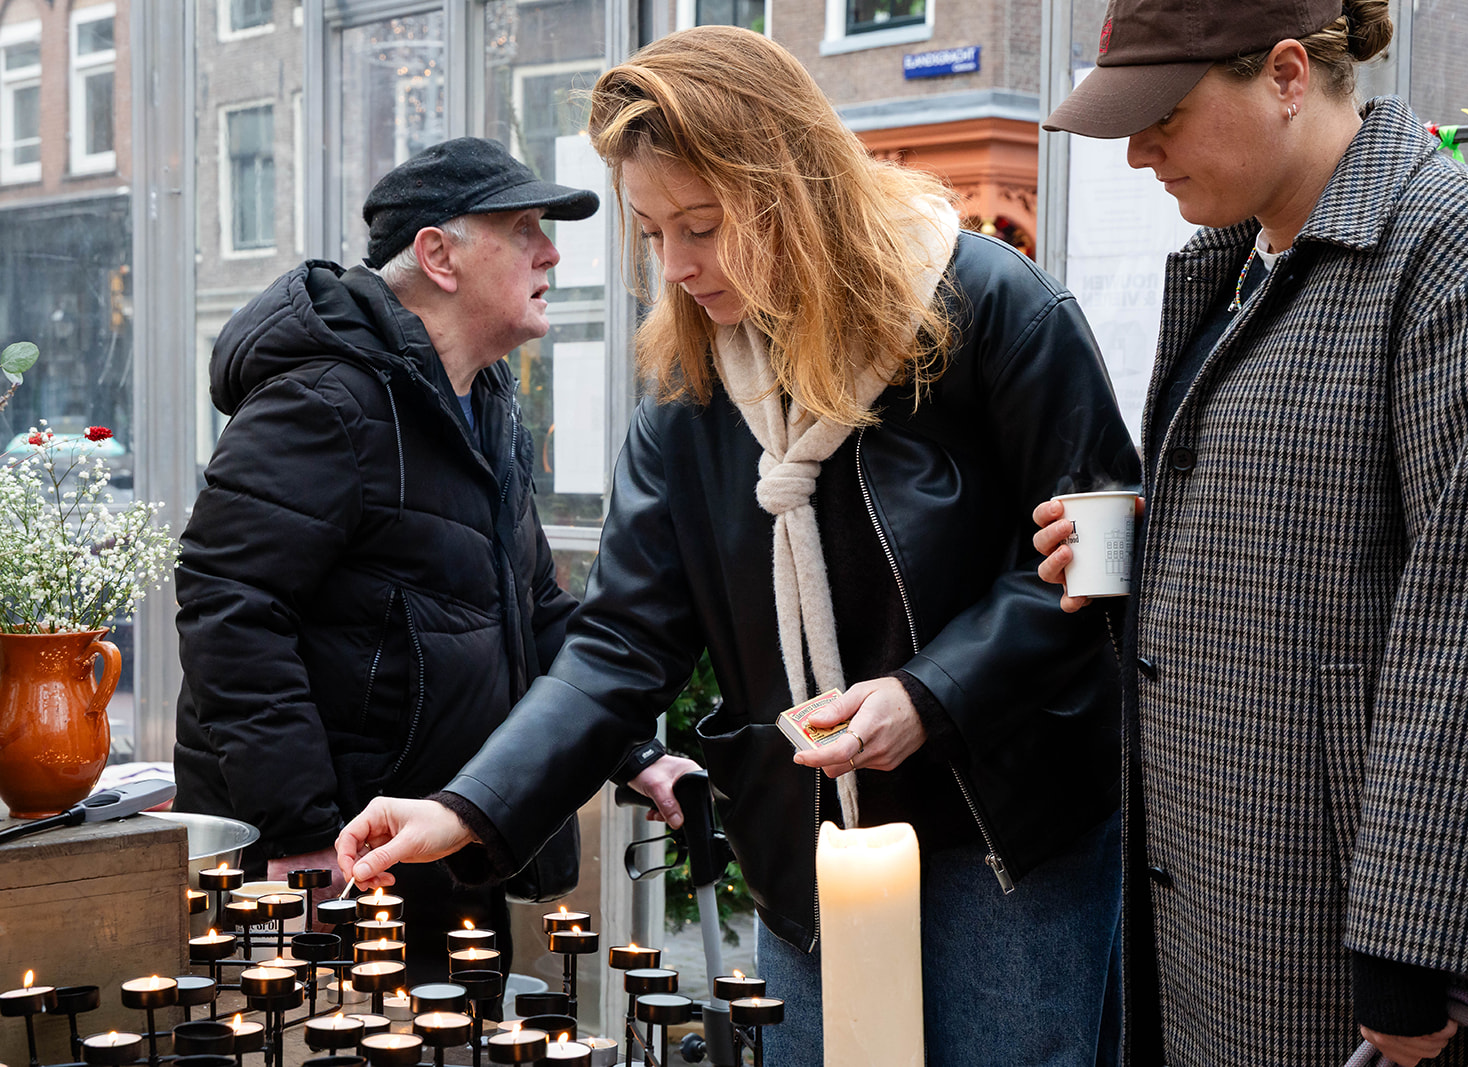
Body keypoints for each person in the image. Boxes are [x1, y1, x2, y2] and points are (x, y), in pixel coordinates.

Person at [334, 26, 1139, 1067]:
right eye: (652, 231)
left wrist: (927, 696)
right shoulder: (691, 382)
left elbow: (1094, 563)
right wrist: (466, 806)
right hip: (808, 849)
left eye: (703, 226)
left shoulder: (992, 309)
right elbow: (621, 641)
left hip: (1008, 838)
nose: (676, 265)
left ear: (792, 190)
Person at [1035, 1, 1468, 1064]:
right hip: (1236, 913)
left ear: (1288, 75)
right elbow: (1327, 527)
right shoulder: (1240, 262)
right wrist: (1159, 552)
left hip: (1363, 961)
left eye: (1164, 113)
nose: (1138, 151)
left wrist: (1415, 956)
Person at [172, 137, 599, 984]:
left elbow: (535, 609)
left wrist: (635, 753)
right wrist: (299, 834)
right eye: (522, 229)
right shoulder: (325, 401)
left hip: (443, 845)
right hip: (334, 866)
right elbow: (229, 606)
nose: (550, 252)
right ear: (438, 256)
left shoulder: (483, 404)